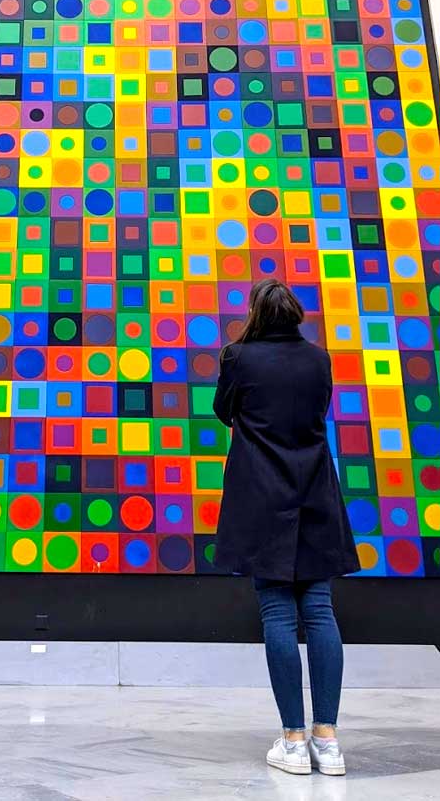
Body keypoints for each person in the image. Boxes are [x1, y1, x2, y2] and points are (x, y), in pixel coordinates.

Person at [213, 278, 360, 778]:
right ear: (294, 313)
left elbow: (223, 411)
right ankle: (328, 740)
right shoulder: (319, 359)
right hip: (315, 490)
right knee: (319, 610)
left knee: (277, 612)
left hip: (262, 495)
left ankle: (293, 741)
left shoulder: (238, 356)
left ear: (256, 313)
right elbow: (317, 414)